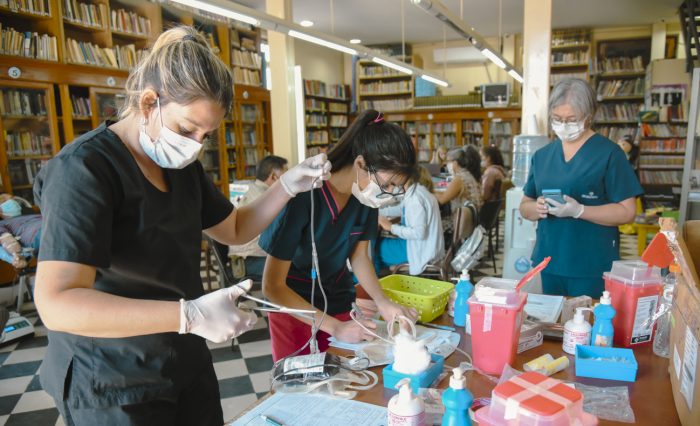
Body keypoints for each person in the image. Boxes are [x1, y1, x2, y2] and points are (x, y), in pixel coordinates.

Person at [32, 27, 330, 426]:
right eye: (188, 129)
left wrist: (288, 186)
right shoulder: (84, 170)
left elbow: (235, 227)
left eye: (207, 135)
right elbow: (57, 303)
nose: (196, 144)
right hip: (112, 377)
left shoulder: (180, 166)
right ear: (149, 102)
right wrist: (187, 314)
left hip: (182, 361)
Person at [259, 109, 419, 362]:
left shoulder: (365, 197)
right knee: (300, 389)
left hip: (338, 300)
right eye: (387, 184)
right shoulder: (303, 193)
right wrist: (334, 327)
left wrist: (383, 302)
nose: (388, 193)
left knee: (346, 379)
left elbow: (359, 257)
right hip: (294, 308)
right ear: (360, 164)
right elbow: (271, 286)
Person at [519, 78, 642, 298]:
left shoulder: (609, 154)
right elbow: (524, 206)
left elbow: (627, 211)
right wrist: (536, 208)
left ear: (588, 116)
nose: (563, 125)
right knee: (552, 325)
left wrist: (580, 211)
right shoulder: (542, 156)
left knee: (584, 325)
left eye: (571, 119)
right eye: (557, 119)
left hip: (590, 263)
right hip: (549, 260)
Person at [375, 166, 445, 275]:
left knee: (373, 248)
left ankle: (374, 285)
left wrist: (390, 227)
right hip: (426, 248)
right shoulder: (417, 192)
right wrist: (377, 212)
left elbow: (418, 233)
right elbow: (400, 209)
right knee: (379, 244)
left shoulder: (415, 198)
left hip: (419, 251)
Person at [228, 155, 288, 279]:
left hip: (253, 256)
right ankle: (273, 297)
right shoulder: (264, 197)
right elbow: (276, 234)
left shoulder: (255, 190)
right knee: (294, 270)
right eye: (286, 176)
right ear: (273, 177)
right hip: (248, 261)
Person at [434, 146, 483, 212]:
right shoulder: (467, 174)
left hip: (463, 220)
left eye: (449, 161)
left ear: (455, 162)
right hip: (474, 217)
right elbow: (447, 193)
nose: (447, 164)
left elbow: (441, 200)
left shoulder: (459, 179)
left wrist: (428, 192)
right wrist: (432, 191)